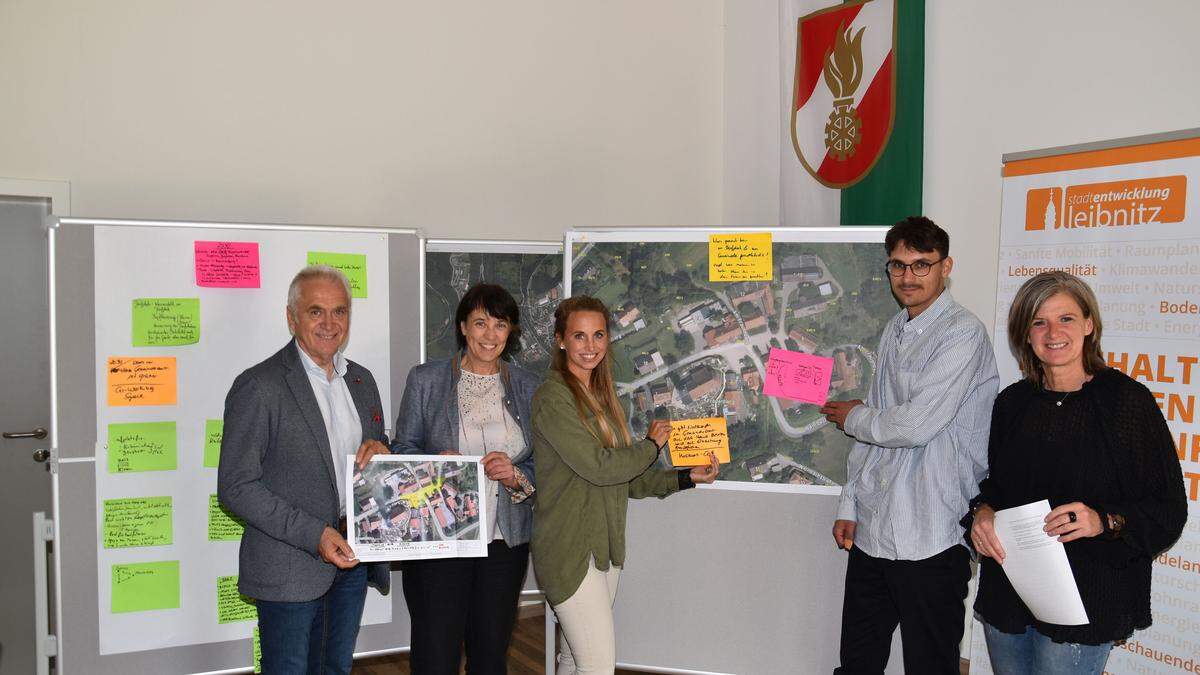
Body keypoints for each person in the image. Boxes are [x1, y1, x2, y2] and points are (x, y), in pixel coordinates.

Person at [966, 271, 1187, 674]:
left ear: (1089, 325)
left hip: (1088, 600)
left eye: (1065, 318)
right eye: (1038, 321)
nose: (1053, 332)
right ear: (1025, 334)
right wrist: (981, 512)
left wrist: (1102, 520)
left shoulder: (1126, 403)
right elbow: (994, 487)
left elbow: (1168, 509)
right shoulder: (1012, 403)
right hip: (1009, 593)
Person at [819, 216, 999, 674]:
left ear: (946, 267)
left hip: (932, 538)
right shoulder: (895, 328)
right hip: (875, 535)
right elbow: (878, 429)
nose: (908, 277)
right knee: (857, 664)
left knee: (931, 667)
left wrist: (854, 416)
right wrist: (850, 503)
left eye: (922, 265)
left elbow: (912, 425)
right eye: (898, 266)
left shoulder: (963, 333)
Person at [218, 265, 391, 675]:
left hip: (353, 559)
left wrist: (384, 451)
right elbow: (236, 486)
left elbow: (370, 460)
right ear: (292, 317)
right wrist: (315, 535)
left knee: (336, 668)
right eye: (316, 312)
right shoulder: (259, 386)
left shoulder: (362, 381)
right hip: (289, 567)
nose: (330, 323)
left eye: (340, 311)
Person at [532, 295, 719, 675]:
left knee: (574, 659)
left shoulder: (602, 397)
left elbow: (625, 480)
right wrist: (650, 446)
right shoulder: (553, 398)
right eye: (579, 336)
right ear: (560, 340)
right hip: (569, 552)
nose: (590, 346)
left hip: (603, 548)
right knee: (598, 667)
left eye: (598, 335)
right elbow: (600, 468)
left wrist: (684, 477)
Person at [391, 283, 541, 674]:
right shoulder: (426, 380)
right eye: (480, 323)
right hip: (442, 541)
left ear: (511, 332)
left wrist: (515, 476)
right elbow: (401, 448)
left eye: (500, 324)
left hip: (503, 544)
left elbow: (546, 462)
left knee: (490, 657)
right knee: (435, 656)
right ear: (462, 327)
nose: (489, 335)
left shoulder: (529, 387)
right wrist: (435, 466)